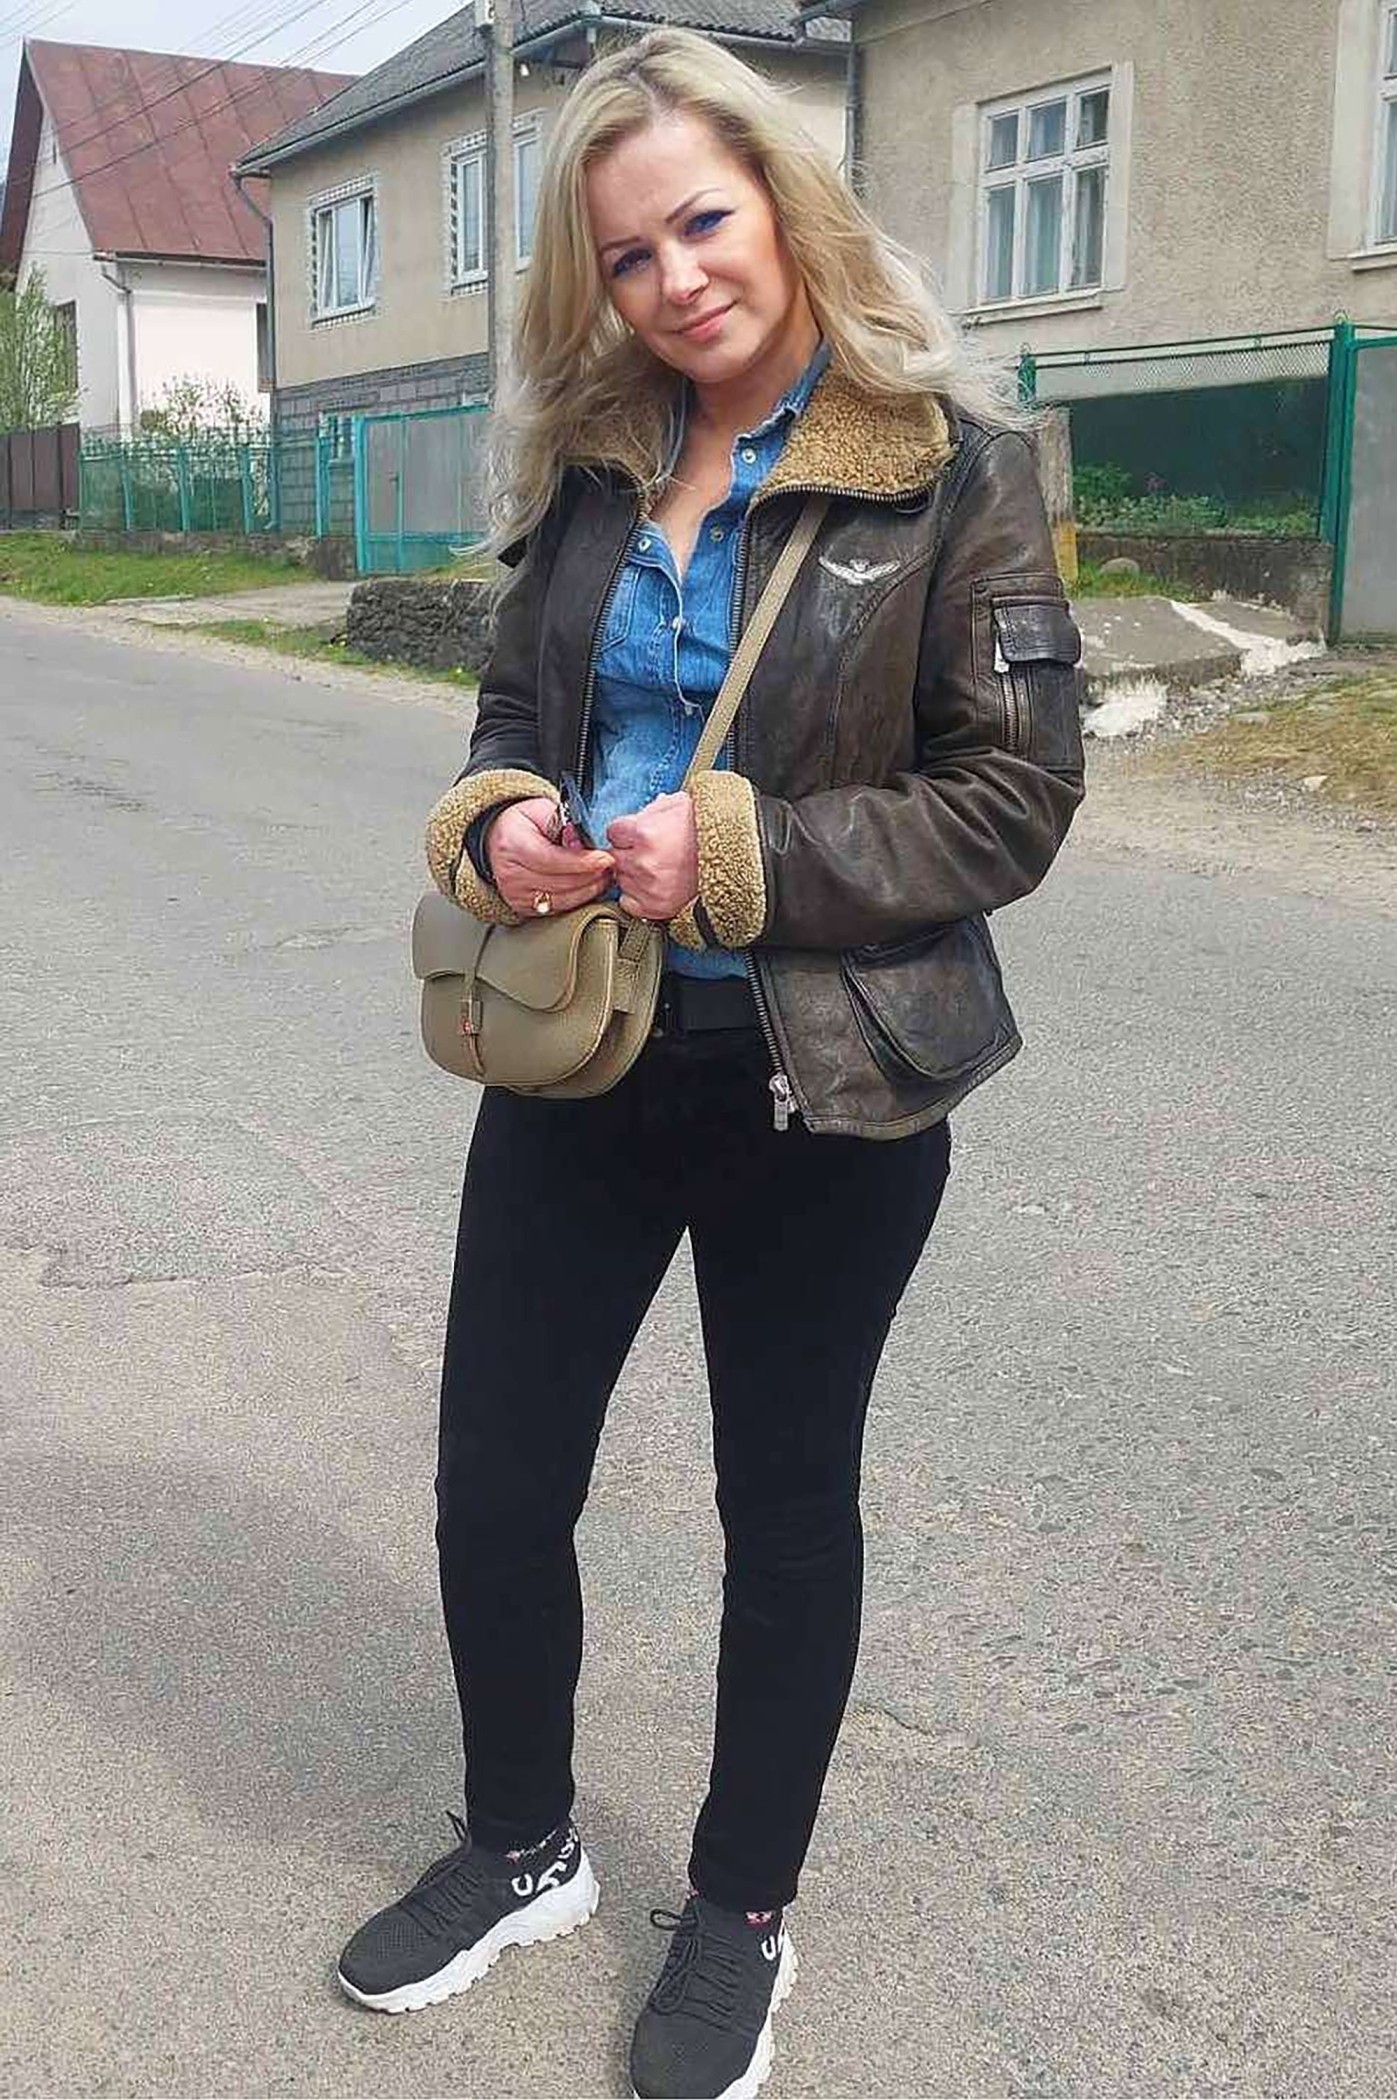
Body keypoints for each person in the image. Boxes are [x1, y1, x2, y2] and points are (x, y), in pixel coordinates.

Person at [337, 27, 1085, 2100]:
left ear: (780, 201)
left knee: (785, 1506)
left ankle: (743, 1909)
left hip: (821, 1078)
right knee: (496, 1478)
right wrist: (502, 822)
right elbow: (511, 714)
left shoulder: (951, 466)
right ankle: (524, 1845)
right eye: (628, 253)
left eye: (700, 222)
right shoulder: (595, 458)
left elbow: (1012, 800)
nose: (675, 278)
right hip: (581, 1047)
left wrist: (742, 856)